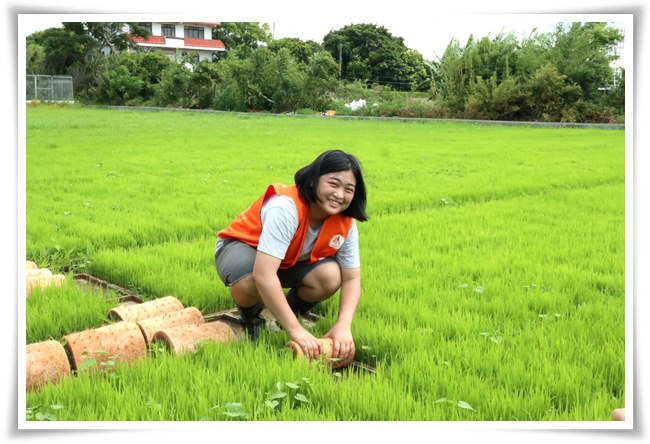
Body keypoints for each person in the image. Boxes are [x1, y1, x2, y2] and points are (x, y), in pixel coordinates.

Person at [214, 149, 368, 364]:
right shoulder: (286, 208)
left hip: (286, 261)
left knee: (332, 275)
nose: (339, 195)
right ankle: (252, 322)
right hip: (243, 249)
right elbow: (264, 274)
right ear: (314, 180)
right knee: (249, 280)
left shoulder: (345, 223)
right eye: (333, 184)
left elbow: (352, 278)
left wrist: (344, 325)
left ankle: (285, 316)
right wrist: (296, 331)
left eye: (348, 189)